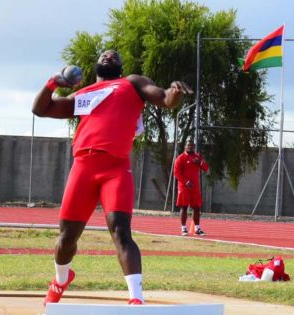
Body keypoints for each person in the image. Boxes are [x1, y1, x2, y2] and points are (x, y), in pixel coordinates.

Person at [32, 49, 192, 306]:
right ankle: (61, 280)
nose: (108, 56)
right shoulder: (83, 95)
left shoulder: (131, 83)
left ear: (120, 66)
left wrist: (175, 91)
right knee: (66, 237)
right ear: (95, 66)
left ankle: (136, 299)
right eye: (104, 55)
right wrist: (52, 83)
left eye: (114, 56)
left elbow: (164, 98)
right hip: (83, 166)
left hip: (115, 169)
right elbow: (41, 109)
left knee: (121, 231)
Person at [174, 139, 209, 236]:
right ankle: (183, 228)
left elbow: (206, 168)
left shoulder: (197, 157)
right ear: (185, 146)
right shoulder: (180, 158)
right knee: (184, 207)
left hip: (195, 187)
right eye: (188, 145)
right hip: (184, 186)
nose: (190, 147)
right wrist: (186, 182)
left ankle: (197, 228)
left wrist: (200, 162)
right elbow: (176, 173)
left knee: (197, 207)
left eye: (192, 145)